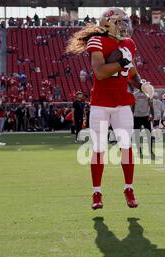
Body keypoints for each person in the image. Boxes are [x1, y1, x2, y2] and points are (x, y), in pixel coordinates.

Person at [66, 8, 154, 210]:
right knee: (98, 149)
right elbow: (100, 73)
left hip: (122, 102)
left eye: (125, 22)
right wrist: (120, 61)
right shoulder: (97, 41)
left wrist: (141, 85)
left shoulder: (129, 44)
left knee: (126, 146)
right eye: (120, 22)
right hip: (100, 103)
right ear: (108, 23)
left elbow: (130, 71)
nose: (124, 26)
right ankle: (97, 192)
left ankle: (129, 188)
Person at [132, 88, 154, 159]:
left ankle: (150, 150)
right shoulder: (134, 94)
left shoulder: (148, 94)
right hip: (136, 116)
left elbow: (151, 105)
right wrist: (132, 115)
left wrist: (152, 115)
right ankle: (139, 150)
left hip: (146, 116)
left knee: (149, 134)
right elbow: (132, 106)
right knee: (136, 135)